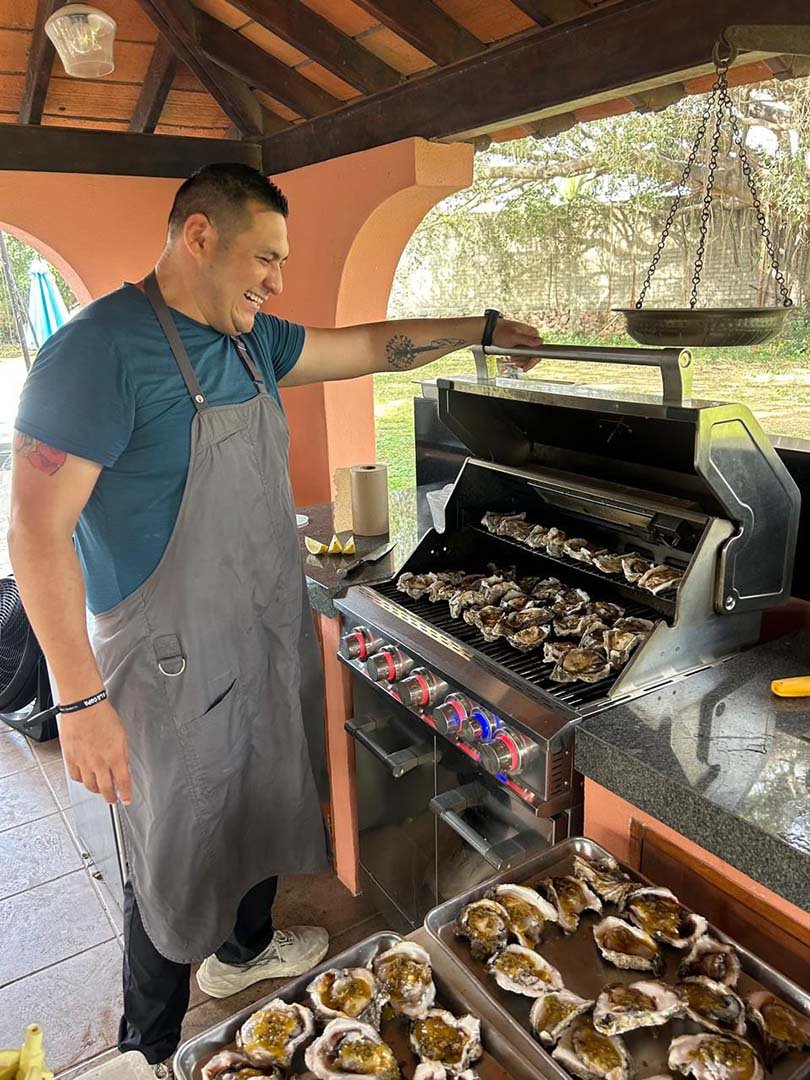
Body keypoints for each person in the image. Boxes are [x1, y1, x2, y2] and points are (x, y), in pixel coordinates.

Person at [8, 163, 541, 1069]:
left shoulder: (250, 341)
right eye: (265, 257)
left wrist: (481, 330)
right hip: (163, 656)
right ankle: (147, 1044)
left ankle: (243, 949)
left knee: (256, 793)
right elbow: (33, 533)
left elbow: (371, 345)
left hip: (255, 627)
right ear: (199, 236)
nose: (278, 281)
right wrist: (81, 701)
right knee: (170, 850)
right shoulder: (98, 352)